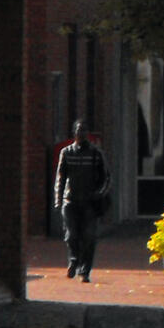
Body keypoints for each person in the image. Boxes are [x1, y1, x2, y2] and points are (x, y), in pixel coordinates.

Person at [54, 120, 110, 281]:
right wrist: (58, 199)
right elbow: (61, 177)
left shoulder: (96, 153)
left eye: (84, 131)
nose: (81, 134)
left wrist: (100, 193)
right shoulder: (66, 153)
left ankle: (84, 271)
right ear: (74, 133)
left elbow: (107, 178)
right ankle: (74, 260)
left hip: (89, 202)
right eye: (79, 131)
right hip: (70, 200)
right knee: (71, 235)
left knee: (89, 236)